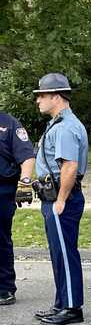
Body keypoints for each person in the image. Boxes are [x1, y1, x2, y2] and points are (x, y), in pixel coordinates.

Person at [32, 73, 89, 325]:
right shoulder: (58, 123)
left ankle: (72, 308)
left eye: (42, 95)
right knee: (59, 253)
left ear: (56, 96)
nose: (38, 101)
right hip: (54, 196)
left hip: (61, 197)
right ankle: (61, 303)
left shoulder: (66, 127)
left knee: (65, 254)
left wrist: (61, 200)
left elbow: (69, 166)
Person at [0, 109, 36, 306]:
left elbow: (27, 156)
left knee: (0, 239)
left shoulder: (9, 123)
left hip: (2, 191)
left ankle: (4, 288)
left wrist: (25, 182)